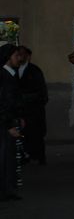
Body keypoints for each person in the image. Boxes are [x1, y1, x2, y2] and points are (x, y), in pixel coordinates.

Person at [16, 46, 47, 166]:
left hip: (34, 110)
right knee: (23, 135)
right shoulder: (14, 69)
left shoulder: (35, 70)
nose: (20, 56)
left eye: (22, 54)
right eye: (18, 54)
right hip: (21, 110)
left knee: (36, 134)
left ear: (28, 56)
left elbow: (40, 91)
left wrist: (25, 97)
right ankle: (24, 156)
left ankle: (40, 157)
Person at [0, 44, 23, 202]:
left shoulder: (10, 75)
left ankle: (8, 189)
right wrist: (9, 126)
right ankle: (5, 191)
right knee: (4, 158)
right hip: (3, 125)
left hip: (7, 121)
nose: (19, 58)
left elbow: (13, 102)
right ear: (8, 57)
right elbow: (3, 104)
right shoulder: (3, 76)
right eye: (16, 56)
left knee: (9, 158)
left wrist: (19, 117)